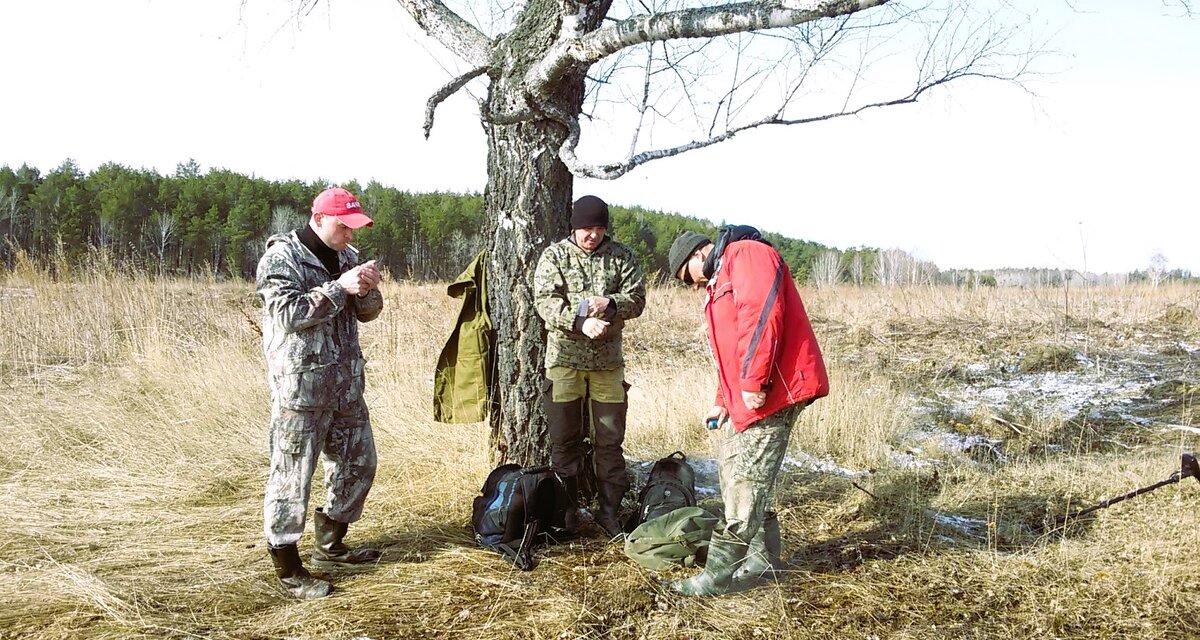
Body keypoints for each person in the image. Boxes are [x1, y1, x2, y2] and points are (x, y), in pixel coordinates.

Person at [664, 227, 829, 596]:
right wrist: (723, 400)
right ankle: (762, 561)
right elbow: (732, 349)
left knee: (746, 479)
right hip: (751, 396)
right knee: (733, 470)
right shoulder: (721, 275)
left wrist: (754, 382)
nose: (691, 287)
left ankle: (718, 577)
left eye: (685, 278)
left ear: (695, 256)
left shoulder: (746, 254)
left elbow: (761, 316)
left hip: (775, 390)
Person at [256, 186, 385, 599]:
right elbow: (288, 313)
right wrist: (339, 289)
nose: (350, 234)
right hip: (301, 391)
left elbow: (368, 313)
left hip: (345, 387)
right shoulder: (282, 257)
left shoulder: (348, 257)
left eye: (354, 227)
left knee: (359, 464)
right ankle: (289, 567)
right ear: (318, 220)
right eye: (343, 226)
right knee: (292, 476)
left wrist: (366, 291)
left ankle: (331, 545)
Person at [533, 195, 647, 539]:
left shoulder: (621, 256)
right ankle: (564, 513)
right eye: (586, 228)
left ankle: (609, 511)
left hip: (608, 365)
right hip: (564, 361)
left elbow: (637, 299)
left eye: (598, 229)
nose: (592, 236)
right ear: (574, 226)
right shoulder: (555, 256)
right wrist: (579, 321)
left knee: (610, 442)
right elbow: (544, 301)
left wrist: (610, 305)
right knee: (564, 441)